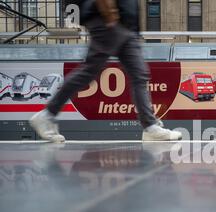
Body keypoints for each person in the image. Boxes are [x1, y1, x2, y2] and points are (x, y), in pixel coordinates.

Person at [29, 0, 181, 142]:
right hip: (109, 19)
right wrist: (109, 13)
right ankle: (47, 114)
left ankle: (150, 127)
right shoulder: (109, 16)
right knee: (90, 71)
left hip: (123, 24)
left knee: (139, 74)